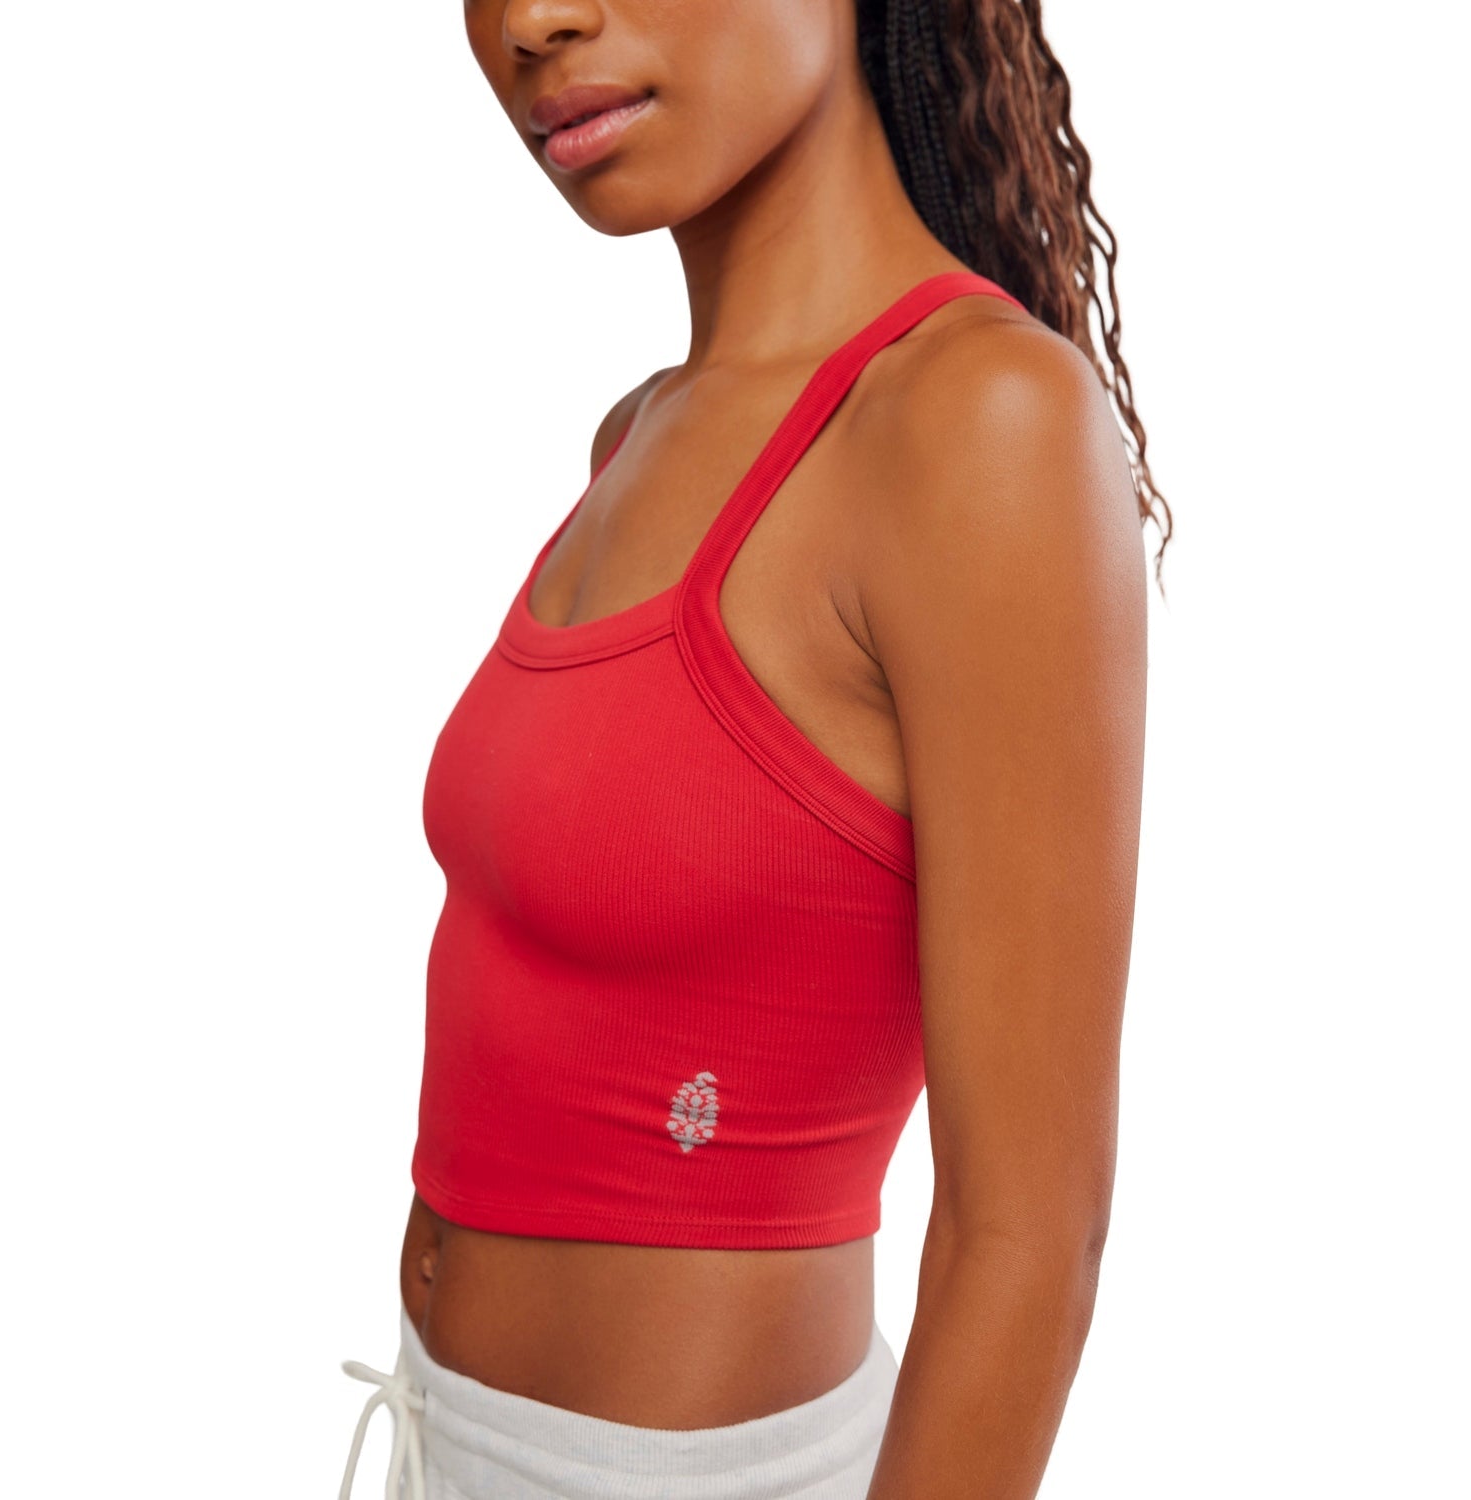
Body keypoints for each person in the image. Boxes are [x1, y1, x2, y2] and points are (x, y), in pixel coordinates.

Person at [339, 0, 1163, 1495]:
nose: (533, 21)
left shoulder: (979, 422)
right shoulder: (638, 434)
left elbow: (1031, 1235)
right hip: (439, 1437)